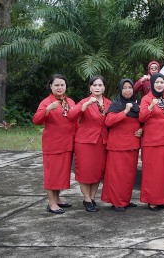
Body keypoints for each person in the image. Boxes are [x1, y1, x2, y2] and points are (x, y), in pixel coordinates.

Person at [32, 74, 77, 214]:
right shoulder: (46, 102)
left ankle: (57, 199)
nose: (59, 87)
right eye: (56, 85)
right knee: (52, 174)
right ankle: (51, 203)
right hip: (53, 144)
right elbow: (36, 120)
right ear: (50, 86)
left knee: (61, 173)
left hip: (67, 143)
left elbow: (75, 121)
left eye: (62, 85)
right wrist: (47, 110)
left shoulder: (69, 101)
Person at [67, 75, 111, 212]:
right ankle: (86, 198)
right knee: (85, 172)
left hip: (102, 142)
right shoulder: (84, 101)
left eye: (100, 85)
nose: (97, 88)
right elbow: (71, 116)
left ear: (104, 87)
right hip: (85, 142)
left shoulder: (109, 103)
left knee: (97, 172)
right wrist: (84, 106)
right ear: (90, 87)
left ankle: (92, 198)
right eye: (94, 85)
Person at [101, 79, 143, 211]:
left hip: (132, 145)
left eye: (130, 87)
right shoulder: (116, 104)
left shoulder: (136, 105)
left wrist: (142, 129)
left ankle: (125, 200)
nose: (127, 90)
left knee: (129, 175)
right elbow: (109, 122)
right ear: (120, 90)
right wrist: (125, 111)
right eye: (124, 87)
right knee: (117, 175)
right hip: (117, 146)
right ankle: (117, 202)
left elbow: (143, 121)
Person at [139, 73, 164, 211]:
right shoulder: (147, 99)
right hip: (152, 141)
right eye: (157, 82)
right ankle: (152, 200)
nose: (159, 85)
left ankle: (162, 199)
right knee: (152, 172)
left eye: (162, 82)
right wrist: (151, 107)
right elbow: (141, 118)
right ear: (152, 83)